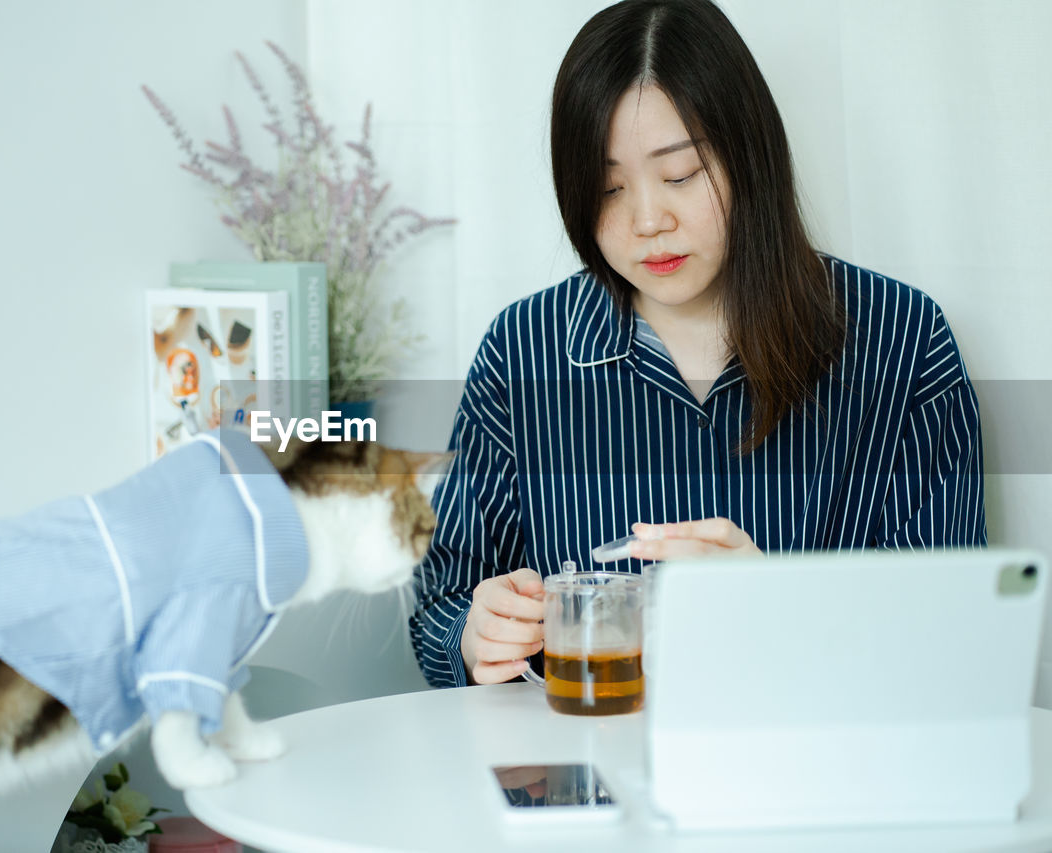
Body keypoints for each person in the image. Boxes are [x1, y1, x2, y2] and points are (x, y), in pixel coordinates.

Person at [409, 0, 986, 689]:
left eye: (680, 174)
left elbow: (958, 646)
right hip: (589, 771)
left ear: (750, 154)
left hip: (816, 782)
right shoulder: (523, 352)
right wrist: (475, 637)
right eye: (608, 187)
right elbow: (439, 603)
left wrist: (780, 613)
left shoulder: (902, 343)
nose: (648, 219)